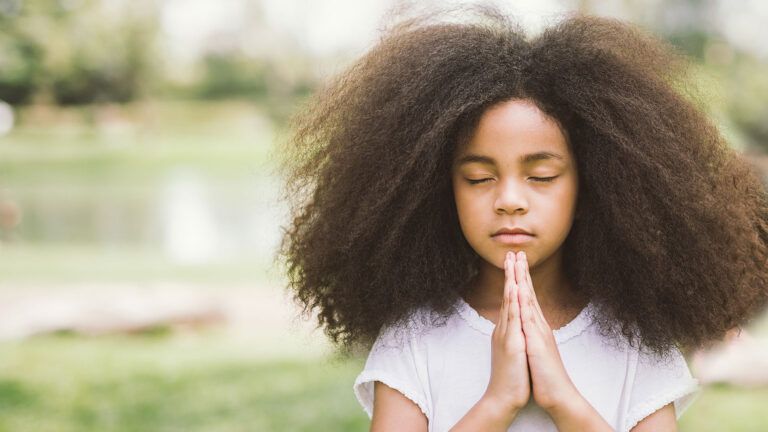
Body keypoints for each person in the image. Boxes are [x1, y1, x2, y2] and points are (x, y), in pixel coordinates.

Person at [275, 5, 768, 432]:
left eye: (542, 176)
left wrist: (562, 399)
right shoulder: (413, 339)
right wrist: (497, 402)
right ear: (437, 191)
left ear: (596, 185)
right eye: (478, 178)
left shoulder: (639, 340)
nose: (509, 200)